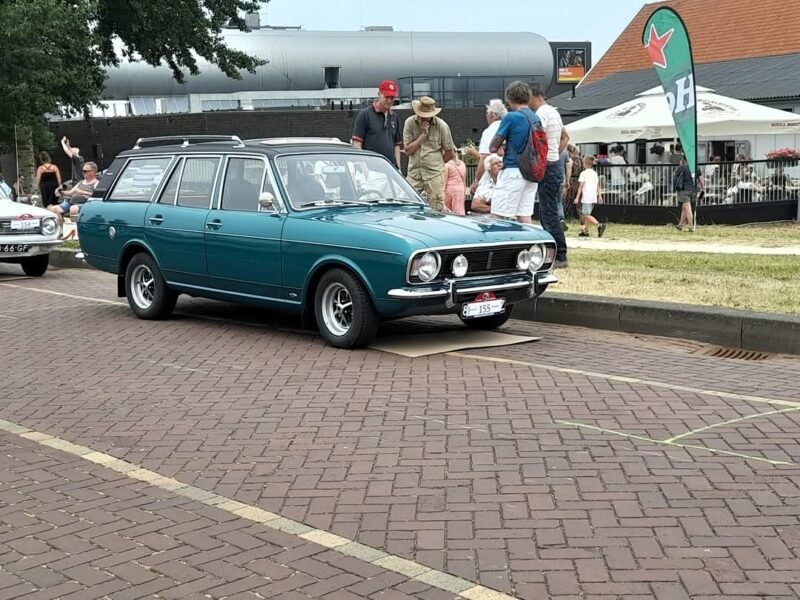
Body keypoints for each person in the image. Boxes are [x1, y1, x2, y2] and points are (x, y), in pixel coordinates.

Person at [528, 82, 569, 266]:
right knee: (549, 210)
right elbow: (565, 137)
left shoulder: (540, 115)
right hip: (554, 164)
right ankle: (554, 253)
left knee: (549, 212)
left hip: (547, 166)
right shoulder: (554, 112)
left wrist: (542, 160)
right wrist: (555, 155)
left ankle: (560, 254)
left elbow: (538, 140)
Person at [488, 81, 540, 224]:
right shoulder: (535, 118)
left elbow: (492, 147)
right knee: (524, 216)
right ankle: (531, 246)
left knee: (498, 216)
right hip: (531, 172)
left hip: (513, 170)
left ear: (510, 99)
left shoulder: (511, 117)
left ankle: (498, 245)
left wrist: (502, 146)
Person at [403, 96, 456, 211]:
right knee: (408, 204)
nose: (424, 118)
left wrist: (436, 163)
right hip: (414, 174)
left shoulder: (442, 126)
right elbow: (408, 150)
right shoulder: (410, 123)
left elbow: (450, 152)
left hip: (434, 175)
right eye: (422, 115)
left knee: (436, 209)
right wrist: (423, 135)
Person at [351, 80, 402, 169]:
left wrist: (398, 167)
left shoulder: (394, 117)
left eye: (392, 97)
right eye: (386, 97)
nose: (389, 101)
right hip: (371, 169)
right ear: (379, 94)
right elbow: (357, 143)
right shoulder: (365, 114)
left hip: (390, 169)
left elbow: (397, 145)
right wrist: (363, 167)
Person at [50, 161, 99, 239]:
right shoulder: (81, 183)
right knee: (54, 209)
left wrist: (82, 192)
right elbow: (70, 193)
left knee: (73, 209)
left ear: (93, 172)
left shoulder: (96, 183)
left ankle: (75, 233)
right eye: (83, 171)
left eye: (85, 171)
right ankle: (61, 232)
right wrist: (60, 191)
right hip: (71, 202)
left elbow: (96, 196)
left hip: (84, 204)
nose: (83, 173)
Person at [468, 99, 507, 196]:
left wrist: (476, 180)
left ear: (492, 115)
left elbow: (484, 157)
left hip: (492, 175)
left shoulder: (489, 131)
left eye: (487, 114)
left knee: (477, 204)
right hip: (509, 172)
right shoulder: (509, 128)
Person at [574, 156, 606, 237]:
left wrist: (577, 197)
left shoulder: (583, 173)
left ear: (584, 164)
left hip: (586, 196)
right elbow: (598, 186)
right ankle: (585, 230)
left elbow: (580, 187)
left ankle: (599, 225)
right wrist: (600, 196)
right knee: (588, 214)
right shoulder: (594, 173)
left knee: (585, 214)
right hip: (593, 196)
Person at [673, 158, 696, 230]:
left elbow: (675, 176)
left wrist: (680, 165)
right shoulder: (695, 167)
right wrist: (703, 188)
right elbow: (700, 178)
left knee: (687, 208)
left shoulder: (682, 167)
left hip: (684, 190)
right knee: (684, 207)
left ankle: (691, 226)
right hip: (693, 190)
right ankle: (680, 225)